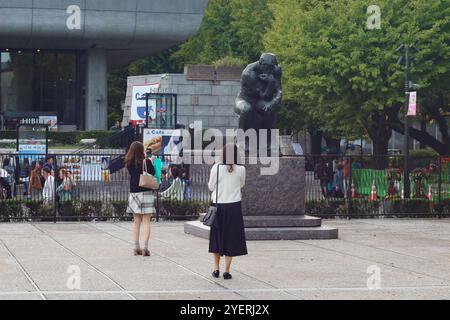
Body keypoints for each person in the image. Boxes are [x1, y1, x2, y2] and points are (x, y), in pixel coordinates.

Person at [208, 144, 247, 280]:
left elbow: (210, 186)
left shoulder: (216, 168)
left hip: (218, 206)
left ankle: (216, 269)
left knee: (216, 238)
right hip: (234, 207)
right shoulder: (241, 169)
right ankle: (227, 271)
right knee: (231, 238)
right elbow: (241, 184)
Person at [125, 141, 156, 257]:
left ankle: (136, 247)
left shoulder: (128, 162)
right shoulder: (146, 161)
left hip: (134, 193)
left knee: (136, 221)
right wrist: (151, 162)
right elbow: (152, 172)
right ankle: (145, 248)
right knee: (146, 221)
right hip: (146, 191)